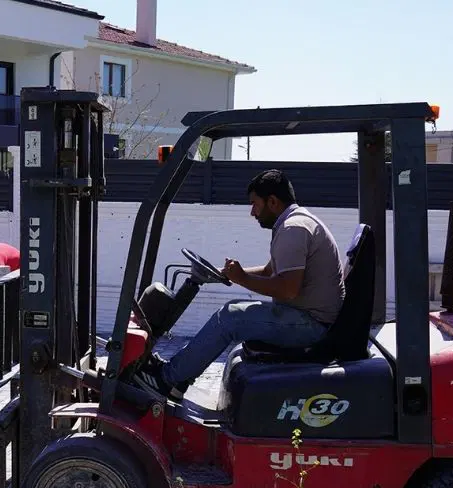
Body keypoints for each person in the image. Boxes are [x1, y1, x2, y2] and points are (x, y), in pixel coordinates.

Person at [132, 169, 346, 400]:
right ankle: (179, 376)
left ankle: (166, 380)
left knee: (230, 317)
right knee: (232, 314)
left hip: (313, 325)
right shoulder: (295, 223)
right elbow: (269, 271)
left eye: (255, 204)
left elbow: (288, 289)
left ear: (272, 201)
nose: (252, 212)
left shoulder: (293, 229)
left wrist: (242, 278)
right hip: (308, 318)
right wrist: (229, 274)